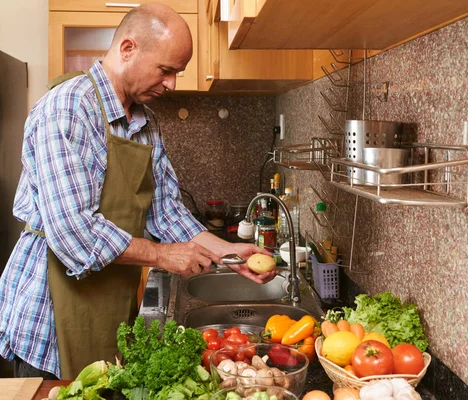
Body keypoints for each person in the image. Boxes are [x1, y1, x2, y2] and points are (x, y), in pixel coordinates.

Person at [0, 3, 275, 380]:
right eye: (166, 70)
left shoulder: (145, 124)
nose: (172, 84)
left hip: (107, 304)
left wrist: (226, 252)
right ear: (128, 48)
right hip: (49, 319)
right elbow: (73, 233)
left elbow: (166, 212)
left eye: (177, 72)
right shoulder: (69, 107)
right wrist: (163, 255)